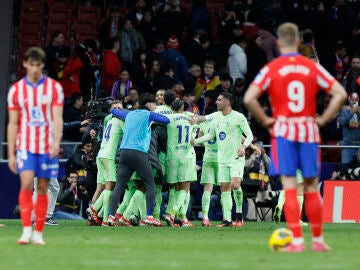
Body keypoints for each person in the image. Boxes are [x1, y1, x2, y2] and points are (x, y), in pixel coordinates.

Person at [244, 22, 347, 252]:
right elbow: (340, 93)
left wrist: (267, 120)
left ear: (279, 43)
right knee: (311, 187)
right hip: (308, 131)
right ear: (299, 42)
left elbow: (250, 97)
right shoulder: (311, 66)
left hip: (283, 132)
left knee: (290, 187)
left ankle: (298, 242)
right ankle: (319, 241)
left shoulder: (272, 68)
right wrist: (322, 119)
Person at [7, 47, 64, 245]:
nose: (34, 69)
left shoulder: (54, 88)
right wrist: (11, 153)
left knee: (43, 187)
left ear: (42, 66)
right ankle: (25, 230)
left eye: (38, 65)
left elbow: (57, 118)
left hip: (47, 146)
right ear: (25, 64)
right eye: (31, 64)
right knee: (26, 183)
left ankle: (38, 232)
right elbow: (13, 122)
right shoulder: (16, 90)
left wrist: (56, 142)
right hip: (26, 145)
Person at [193, 92, 254, 227]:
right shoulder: (216, 118)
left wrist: (244, 146)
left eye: (219, 100)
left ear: (227, 102)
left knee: (235, 185)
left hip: (236, 158)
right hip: (222, 159)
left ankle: (238, 211)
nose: (216, 102)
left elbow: (249, 135)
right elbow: (211, 135)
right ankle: (227, 220)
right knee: (224, 188)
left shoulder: (239, 117)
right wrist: (195, 141)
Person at [108, 94, 170, 224]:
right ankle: (149, 217)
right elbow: (166, 120)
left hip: (124, 153)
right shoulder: (149, 115)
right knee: (150, 185)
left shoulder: (129, 114)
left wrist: (115, 109)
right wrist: (155, 116)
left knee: (119, 186)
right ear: (148, 108)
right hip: (138, 153)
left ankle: (110, 217)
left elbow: (114, 111)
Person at [340, 92, 360, 164]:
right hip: (347, 146)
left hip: (359, 146)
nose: (354, 101)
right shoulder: (344, 112)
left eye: (356, 99)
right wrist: (352, 112)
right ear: (349, 100)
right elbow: (343, 122)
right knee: (345, 168)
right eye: (352, 99)